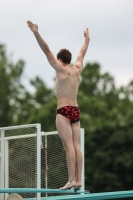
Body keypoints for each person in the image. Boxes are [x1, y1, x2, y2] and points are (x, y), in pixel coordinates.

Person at [27, 20, 90, 190]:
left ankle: (70, 180)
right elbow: (81, 54)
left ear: (60, 60)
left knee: (68, 146)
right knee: (77, 146)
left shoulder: (61, 68)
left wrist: (35, 32)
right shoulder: (77, 69)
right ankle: (78, 180)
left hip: (63, 110)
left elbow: (46, 50)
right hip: (75, 110)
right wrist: (87, 40)